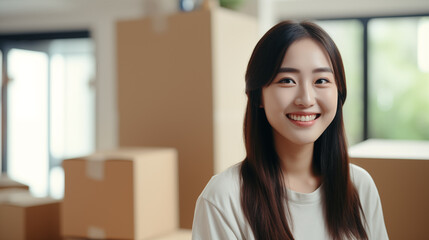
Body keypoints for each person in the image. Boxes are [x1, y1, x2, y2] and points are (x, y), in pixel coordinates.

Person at [191, 20, 389, 240]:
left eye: (321, 80)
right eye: (287, 80)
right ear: (258, 96)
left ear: (339, 92)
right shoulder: (223, 199)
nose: (305, 99)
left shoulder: (359, 186)